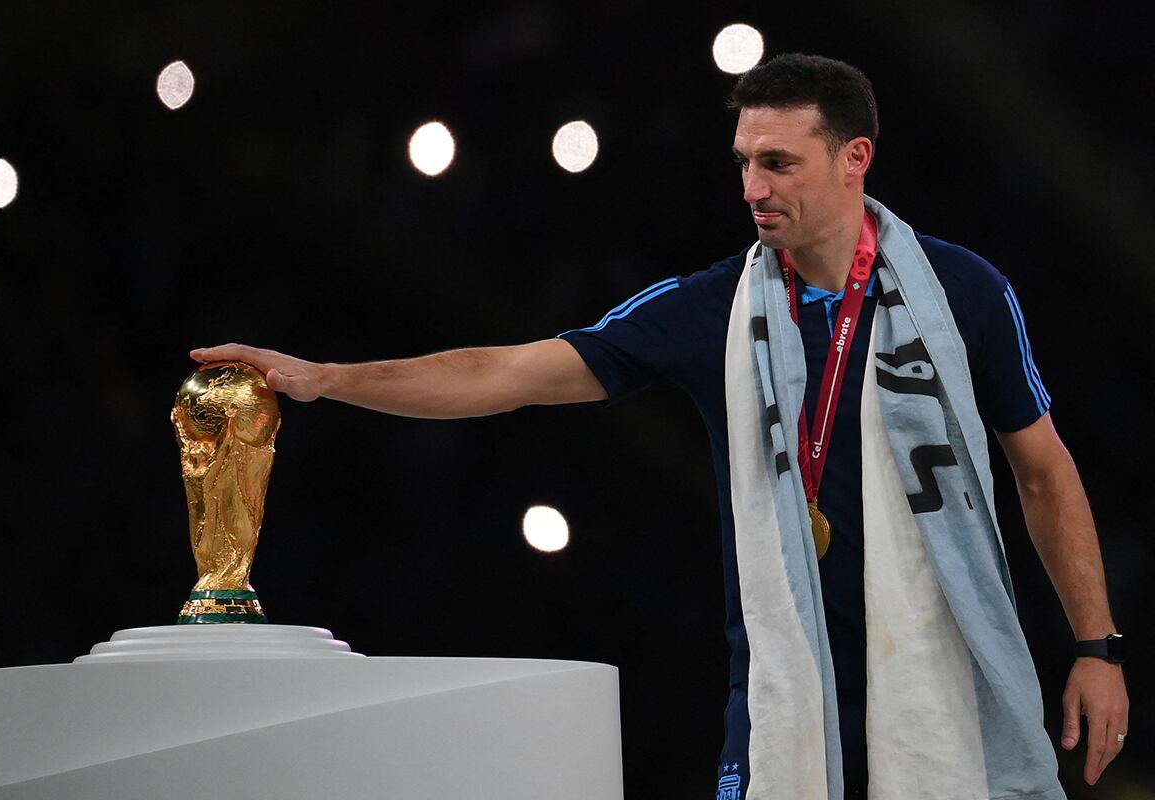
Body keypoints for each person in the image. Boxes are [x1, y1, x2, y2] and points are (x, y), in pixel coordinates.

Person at [192, 54, 1127, 799]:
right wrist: (328, 379)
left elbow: (1043, 473)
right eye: (745, 163)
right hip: (778, 693)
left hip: (941, 685)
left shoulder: (963, 293)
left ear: (855, 158)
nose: (753, 186)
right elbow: (511, 373)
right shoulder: (712, 308)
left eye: (779, 162)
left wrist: (1097, 648)